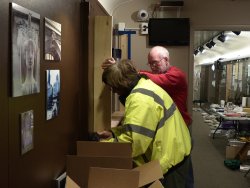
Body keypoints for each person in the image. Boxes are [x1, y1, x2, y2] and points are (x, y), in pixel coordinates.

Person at [99, 59, 192, 188]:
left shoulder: (141, 100)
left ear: (122, 83)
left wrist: (102, 146)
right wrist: (114, 133)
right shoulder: (143, 86)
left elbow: (134, 144)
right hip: (175, 150)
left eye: (113, 87)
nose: (114, 92)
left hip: (171, 162)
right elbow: (138, 128)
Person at [102, 46, 192, 126]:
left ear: (166, 60)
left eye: (155, 63)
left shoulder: (177, 75)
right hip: (170, 123)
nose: (152, 67)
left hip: (179, 124)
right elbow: (145, 73)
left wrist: (120, 69)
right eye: (150, 63)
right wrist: (119, 68)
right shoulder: (161, 74)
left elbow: (147, 76)